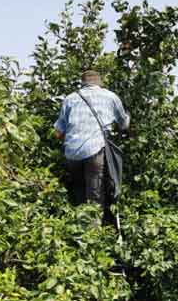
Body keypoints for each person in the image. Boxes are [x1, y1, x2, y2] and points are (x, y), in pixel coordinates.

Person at [54, 70, 129, 214]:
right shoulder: (111, 96)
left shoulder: (70, 98)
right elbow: (123, 124)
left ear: (82, 83)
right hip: (95, 149)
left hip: (72, 153)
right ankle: (93, 231)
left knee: (79, 190)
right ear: (99, 82)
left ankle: (78, 225)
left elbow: (58, 132)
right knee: (94, 194)